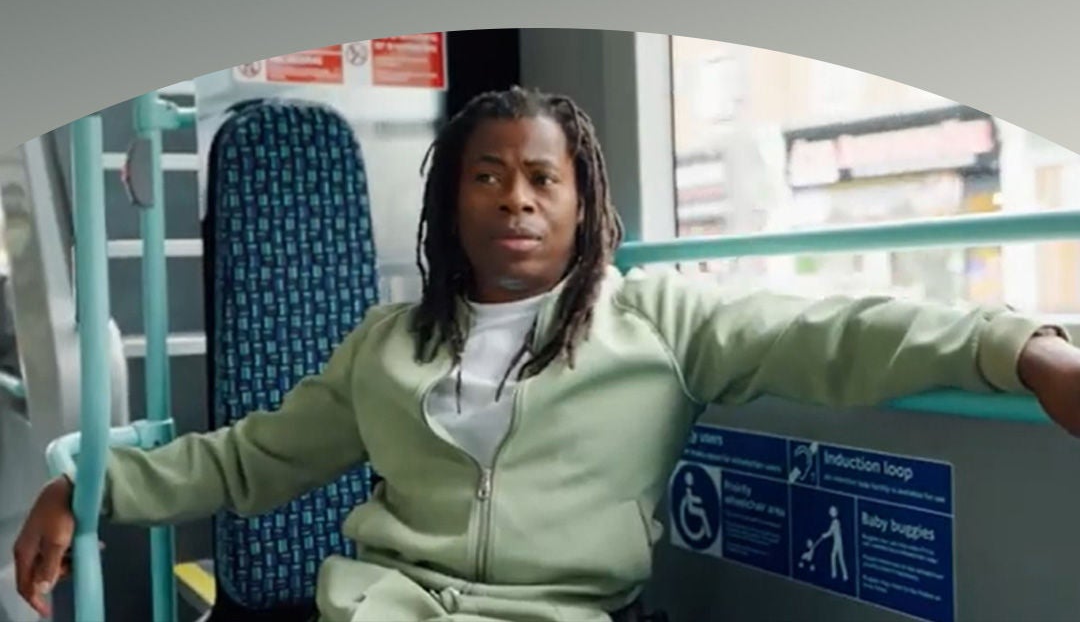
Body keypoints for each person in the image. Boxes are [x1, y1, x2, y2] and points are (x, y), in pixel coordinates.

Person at [13, 87, 1080, 622]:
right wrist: (86, 488)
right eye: (486, 176)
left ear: (584, 204)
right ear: (449, 200)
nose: (514, 198)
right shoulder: (387, 346)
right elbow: (249, 461)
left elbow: (831, 332)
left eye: (541, 177)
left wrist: (1023, 349)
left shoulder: (660, 319)